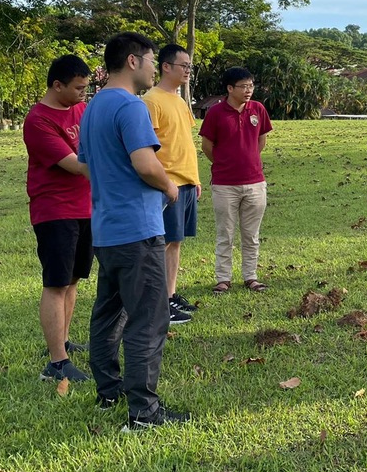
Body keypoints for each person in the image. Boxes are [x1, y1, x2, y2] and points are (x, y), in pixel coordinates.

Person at [78, 32, 189, 430]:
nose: (152, 67)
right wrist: (169, 185)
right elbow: (145, 163)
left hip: (105, 230)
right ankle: (143, 413)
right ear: (132, 62)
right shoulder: (130, 106)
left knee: (108, 313)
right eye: (150, 60)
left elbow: (90, 165)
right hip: (137, 231)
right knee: (149, 317)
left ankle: (109, 391)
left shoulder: (92, 108)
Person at [23, 54, 94, 383]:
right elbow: (77, 165)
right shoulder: (38, 121)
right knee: (55, 284)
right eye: (79, 88)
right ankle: (56, 363)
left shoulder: (79, 108)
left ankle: (63, 341)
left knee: (74, 279)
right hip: (55, 211)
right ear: (57, 85)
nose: (84, 93)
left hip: (85, 207)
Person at [199, 67, 273, 294]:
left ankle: (250, 276)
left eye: (251, 85)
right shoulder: (215, 113)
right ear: (230, 88)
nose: (248, 90)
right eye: (243, 86)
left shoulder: (258, 109)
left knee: (251, 235)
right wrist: (223, 164)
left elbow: (261, 141)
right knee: (225, 233)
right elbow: (207, 146)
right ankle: (223, 278)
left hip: (254, 182)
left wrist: (248, 161)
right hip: (224, 184)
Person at [144, 44, 200, 325]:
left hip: (186, 182)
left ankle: (171, 294)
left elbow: (184, 142)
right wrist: (166, 182)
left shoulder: (178, 100)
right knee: (163, 243)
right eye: (184, 66)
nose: (188, 71)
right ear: (166, 67)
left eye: (190, 66)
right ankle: (160, 302)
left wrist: (196, 178)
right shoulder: (151, 100)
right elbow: (149, 148)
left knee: (175, 242)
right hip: (168, 185)